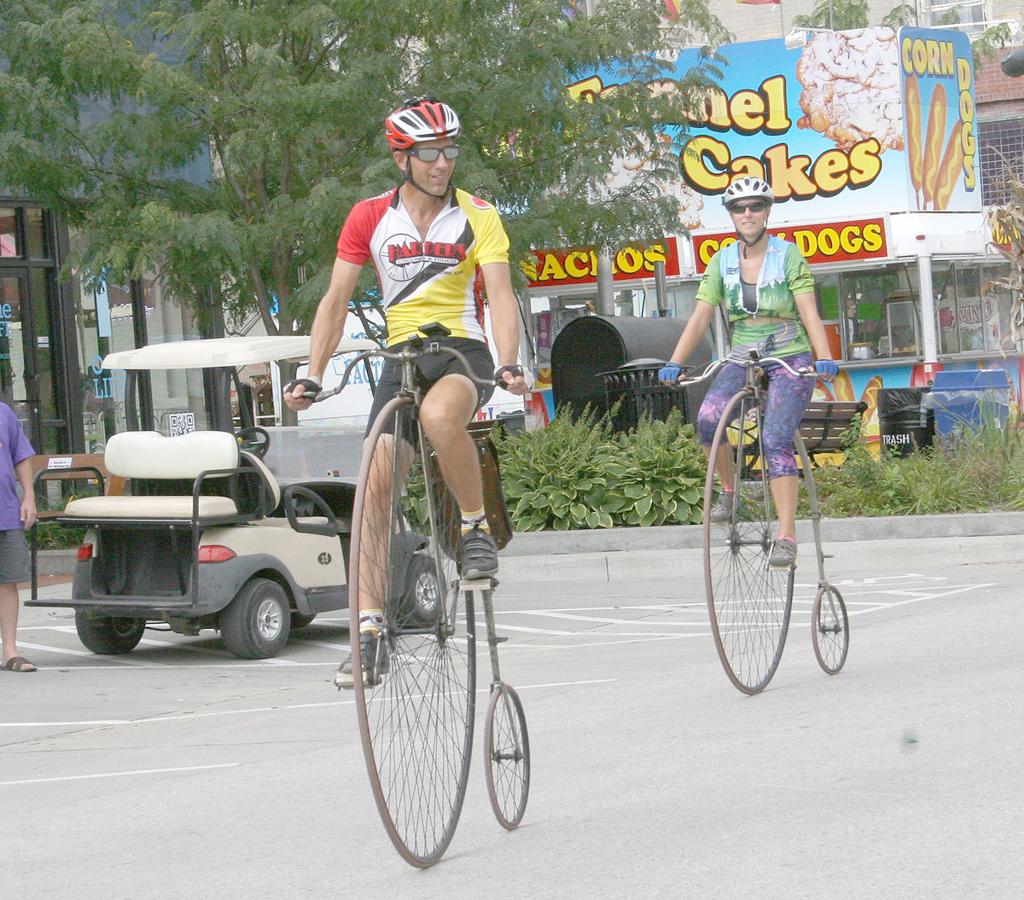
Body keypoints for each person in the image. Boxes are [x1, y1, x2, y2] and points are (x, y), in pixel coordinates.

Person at [284, 97, 527, 687]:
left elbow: (500, 297)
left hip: (461, 351)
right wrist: (313, 373)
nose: (443, 163)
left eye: (450, 151)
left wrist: (509, 362)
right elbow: (335, 301)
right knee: (374, 482)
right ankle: (368, 634)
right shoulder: (369, 217)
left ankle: (473, 529)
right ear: (402, 159)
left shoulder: (479, 216)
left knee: (442, 417)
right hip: (402, 358)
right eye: (429, 153)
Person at [657, 176, 839, 568]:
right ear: (731, 215)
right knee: (708, 419)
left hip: (789, 355)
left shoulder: (788, 255)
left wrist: (823, 357)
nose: (748, 213)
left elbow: (809, 311)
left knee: (775, 438)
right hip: (743, 355)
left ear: (767, 211)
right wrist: (674, 362)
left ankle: (786, 536)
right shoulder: (720, 261)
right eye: (739, 208)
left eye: (756, 206)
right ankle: (729, 491)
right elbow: (700, 316)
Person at [1, 401, 38, 672]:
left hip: (6, 512)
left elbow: (21, 456)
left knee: (7, 584)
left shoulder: (3, 412)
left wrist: (29, 496)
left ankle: (10, 652)